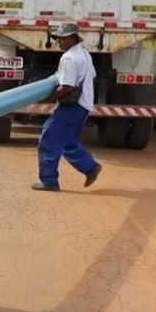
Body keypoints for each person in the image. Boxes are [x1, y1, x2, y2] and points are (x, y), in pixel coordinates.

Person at [33, 22, 102, 191]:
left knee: (49, 138)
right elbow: (92, 75)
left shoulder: (69, 57)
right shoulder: (84, 53)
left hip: (73, 106)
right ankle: (90, 167)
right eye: (58, 39)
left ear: (72, 38)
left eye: (62, 39)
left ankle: (49, 181)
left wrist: (48, 99)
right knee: (67, 140)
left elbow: (68, 86)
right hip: (84, 105)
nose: (59, 42)